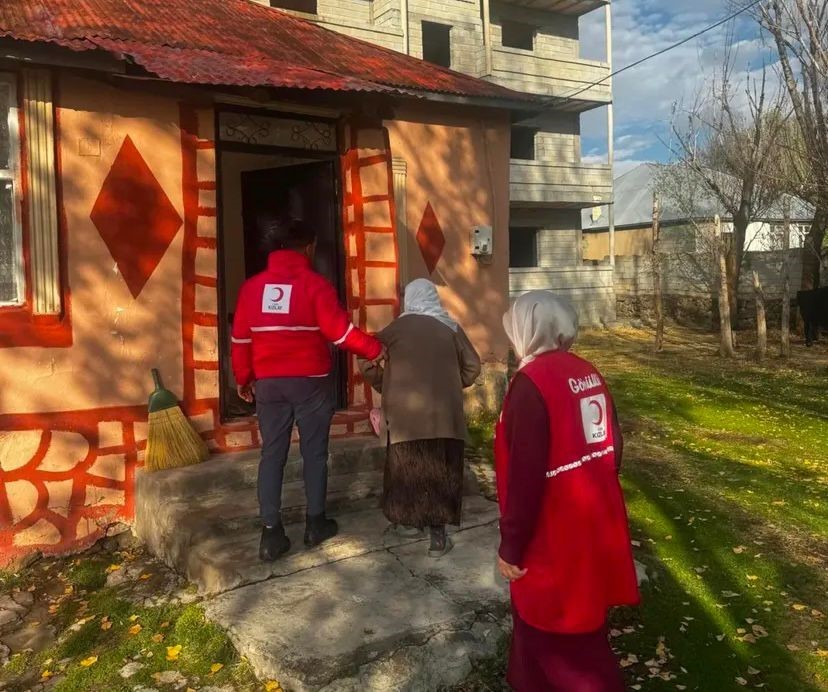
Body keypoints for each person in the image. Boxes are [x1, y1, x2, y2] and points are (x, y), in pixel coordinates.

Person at [495, 291, 640, 691]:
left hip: (551, 531)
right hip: (589, 516)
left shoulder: (531, 384)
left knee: (561, 633)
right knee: (537, 625)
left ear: (528, 330)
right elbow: (615, 446)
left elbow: (525, 475)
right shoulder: (586, 370)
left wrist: (512, 545)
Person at [231, 217, 384, 562]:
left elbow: (240, 338)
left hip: (268, 384)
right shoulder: (316, 286)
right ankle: (315, 523)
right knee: (314, 454)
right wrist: (375, 350)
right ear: (309, 247)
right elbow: (341, 334)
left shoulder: (251, 288)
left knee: (272, 454)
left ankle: (271, 535)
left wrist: (245, 377)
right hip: (310, 383)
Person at [360, 279, 481, 557]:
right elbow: (473, 367)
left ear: (408, 300)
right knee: (440, 470)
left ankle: (408, 523)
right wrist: (451, 383)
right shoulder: (450, 327)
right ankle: (438, 536)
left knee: (407, 468)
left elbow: (366, 359)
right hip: (443, 415)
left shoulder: (392, 330)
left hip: (404, 419)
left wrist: (384, 383)